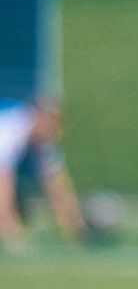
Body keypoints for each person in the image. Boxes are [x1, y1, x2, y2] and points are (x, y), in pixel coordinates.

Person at [0, 95, 84, 253]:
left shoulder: (43, 140)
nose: (57, 130)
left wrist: (78, 233)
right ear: (37, 116)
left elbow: (58, 189)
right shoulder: (9, 130)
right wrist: (15, 239)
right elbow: (2, 194)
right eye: (51, 121)